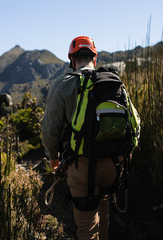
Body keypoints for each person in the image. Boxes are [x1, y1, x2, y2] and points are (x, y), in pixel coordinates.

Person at [42, 36, 123, 240]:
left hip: (81, 166)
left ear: (72, 60)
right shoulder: (111, 83)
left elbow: (50, 129)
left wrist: (53, 157)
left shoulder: (63, 84)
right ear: (94, 59)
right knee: (103, 217)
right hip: (112, 165)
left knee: (87, 230)